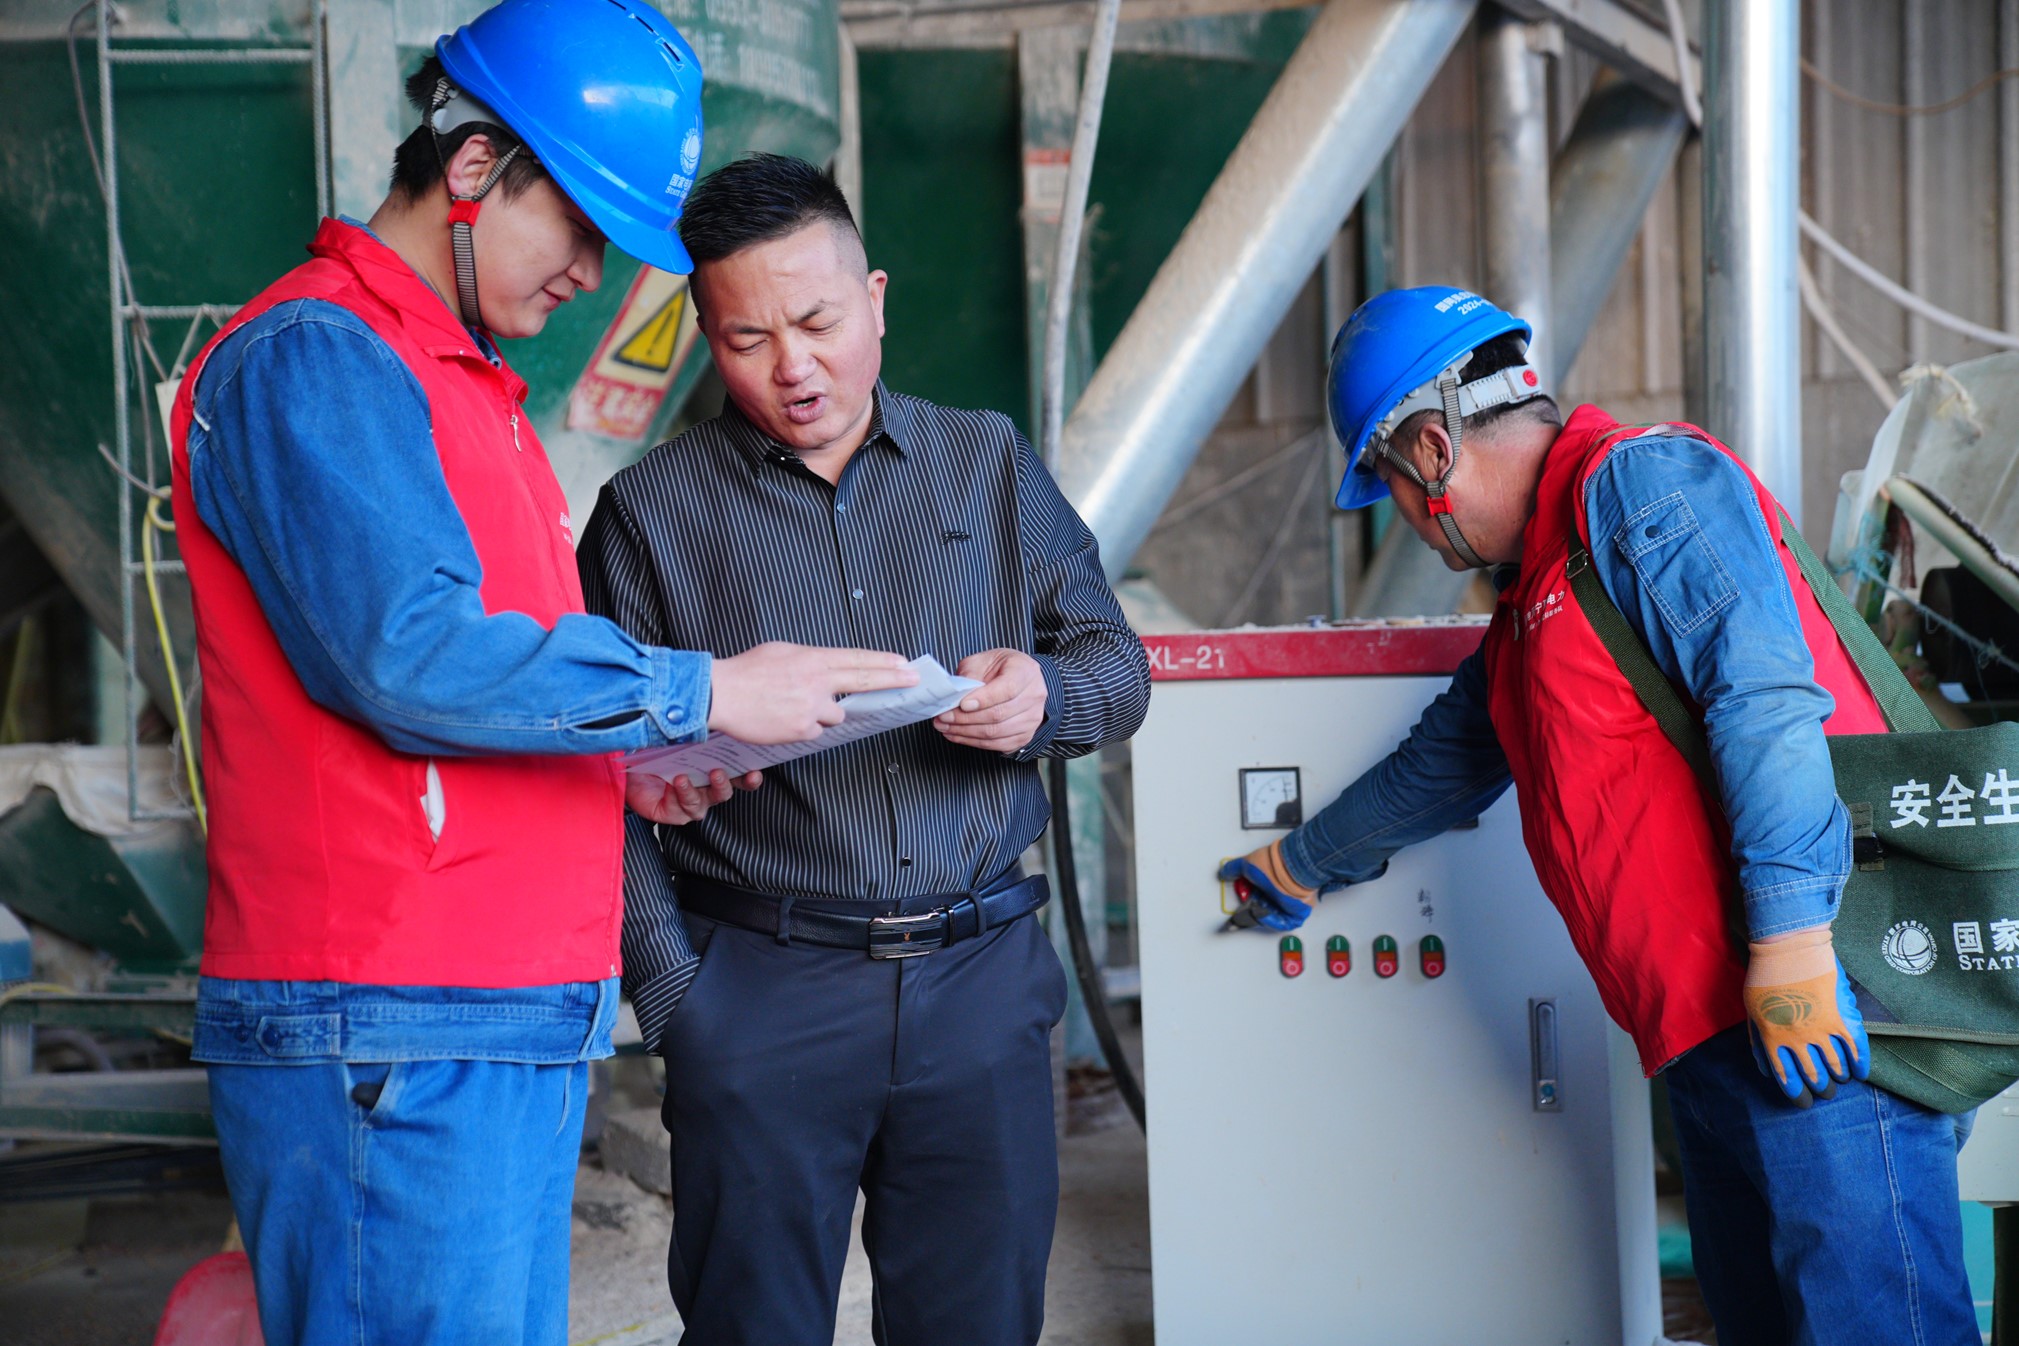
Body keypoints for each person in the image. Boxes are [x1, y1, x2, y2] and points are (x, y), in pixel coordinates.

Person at [168, 7, 916, 1343]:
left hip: (485, 1007)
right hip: (391, 1010)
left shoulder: (466, 387)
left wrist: (628, 762)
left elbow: (473, 683)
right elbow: (405, 652)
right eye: (575, 224)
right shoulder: (318, 356)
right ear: (472, 166)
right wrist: (700, 691)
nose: (588, 270)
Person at [1222, 286, 1977, 1346]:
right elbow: (1443, 763)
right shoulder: (1535, 595)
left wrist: (1794, 938)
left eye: (1386, 483)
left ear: (1433, 450)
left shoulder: (1639, 483)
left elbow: (1761, 695)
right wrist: (1300, 862)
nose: (1403, 518)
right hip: (1705, 1035)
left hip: (1814, 1012)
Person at [576, 153, 1152, 1346]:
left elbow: (1120, 665)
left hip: (980, 985)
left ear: (876, 299)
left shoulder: (987, 464)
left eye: (819, 323)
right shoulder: (649, 515)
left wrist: (1045, 694)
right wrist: (678, 995)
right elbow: (589, 776)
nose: (793, 367)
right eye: (748, 338)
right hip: (761, 987)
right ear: (708, 335)